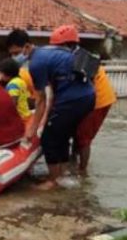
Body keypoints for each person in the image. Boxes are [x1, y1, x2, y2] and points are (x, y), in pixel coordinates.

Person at [26, 25, 95, 190]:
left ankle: (53, 180)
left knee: (48, 138)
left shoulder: (40, 59)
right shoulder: (70, 55)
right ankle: (62, 175)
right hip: (88, 98)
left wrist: (34, 128)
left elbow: (41, 99)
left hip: (73, 100)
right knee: (63, 135)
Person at [73, 58, 116, 173]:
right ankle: (74, 161)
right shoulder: (79, 56)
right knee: (77, 132)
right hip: (98, 96)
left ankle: (82, 171)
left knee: (83, 137)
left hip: (97, 100)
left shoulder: (78, 60)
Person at [6, 29, 38, 99]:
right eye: (11, 54)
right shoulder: (20, 66)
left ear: (27, 46)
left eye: (16, 53)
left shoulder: (40, 62)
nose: (14, 57)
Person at [0, 58, 32, 122]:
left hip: (19, 118)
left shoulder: (12, 85)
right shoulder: (21, 81)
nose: (0, 76)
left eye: (1, 73)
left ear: (7, 73)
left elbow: (13, 102)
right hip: (26, 115)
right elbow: (28, 98)